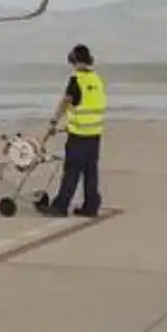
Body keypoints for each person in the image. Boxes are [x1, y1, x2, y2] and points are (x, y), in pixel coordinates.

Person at [39, 43, 104, 217]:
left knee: (72, 171)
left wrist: (53, 123)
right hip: (94, 135)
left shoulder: (77, 80)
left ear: (73, 60)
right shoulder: (96, 79)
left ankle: (60, 206)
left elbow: (66, 102)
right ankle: (91, 206)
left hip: (79, 137)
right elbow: (88, 106)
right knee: (91, 172)